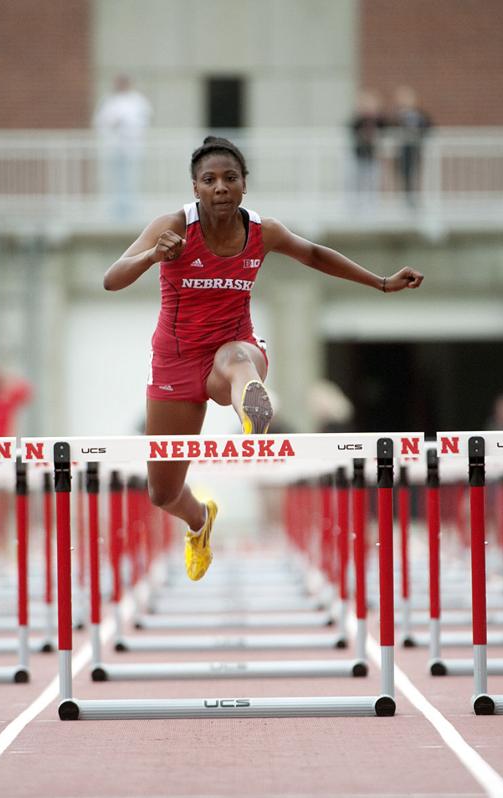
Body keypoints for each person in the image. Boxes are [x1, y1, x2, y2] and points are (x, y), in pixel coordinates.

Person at [103, 136, 424, 581]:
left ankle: (251, 409)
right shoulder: (173, 225)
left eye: (229, 178)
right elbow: (111, 279)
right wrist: (153, 256)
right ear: (195, 188)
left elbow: (313, 254)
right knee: (163, 493)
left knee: (236, 360)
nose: (220, 187)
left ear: (244, 186)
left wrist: (382, 282)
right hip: (175, 362)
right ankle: (200, 521)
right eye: (209, 180)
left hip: (235, 351)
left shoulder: (263, 231)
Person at [94, 74, 152, 220]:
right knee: (115, 180)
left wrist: (126, 124)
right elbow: (100, 122)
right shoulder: (109, 101)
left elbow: (143, 121)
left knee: (131, 179)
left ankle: (130, 210)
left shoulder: (137, 100)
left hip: (132, 147)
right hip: (114, 147)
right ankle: (116, 210)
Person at [390, 85, 431, 197]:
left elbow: (428, 126)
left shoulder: (419, 115)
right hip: (402, 150)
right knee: (402, 174)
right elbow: (390, 127)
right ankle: (403, 197)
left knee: (414, 173)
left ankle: (414, 197)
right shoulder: (396, 115)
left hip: (414, 149)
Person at [349, 89, 386, 201]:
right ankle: (356, 203)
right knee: (357, 181)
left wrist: (376, 113)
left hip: (372, 155)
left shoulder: (378, 120)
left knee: (372, 182)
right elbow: (351, 127)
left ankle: (372, 203)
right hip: (359, 155)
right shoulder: (358, 120)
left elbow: (385, 124)